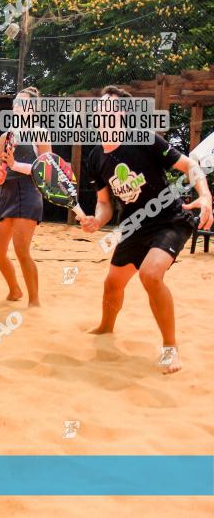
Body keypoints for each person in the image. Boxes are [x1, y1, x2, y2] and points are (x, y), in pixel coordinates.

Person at [79, 85, 213, 374]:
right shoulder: (94, 157)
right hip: (134, 225)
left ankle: (170, 349)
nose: (102, 108)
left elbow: (191, 165)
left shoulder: (144, 140)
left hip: (169, 219)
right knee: (112, 285)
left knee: (150, 275)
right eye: (100, 104)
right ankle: (106, 327)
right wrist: (97, 220)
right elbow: (105, 203)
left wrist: (205, 195)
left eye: (109, 104)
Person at [0, 86, 50, 307]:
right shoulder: (6, 137)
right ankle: (15, 290)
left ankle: (34, 301)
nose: (17, 106)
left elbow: (46, 170)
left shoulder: (40, 133)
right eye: (15, 102)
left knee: (21, 250)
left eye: (23, 102)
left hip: (28, 190)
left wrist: (15, 164)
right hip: (6, 192)